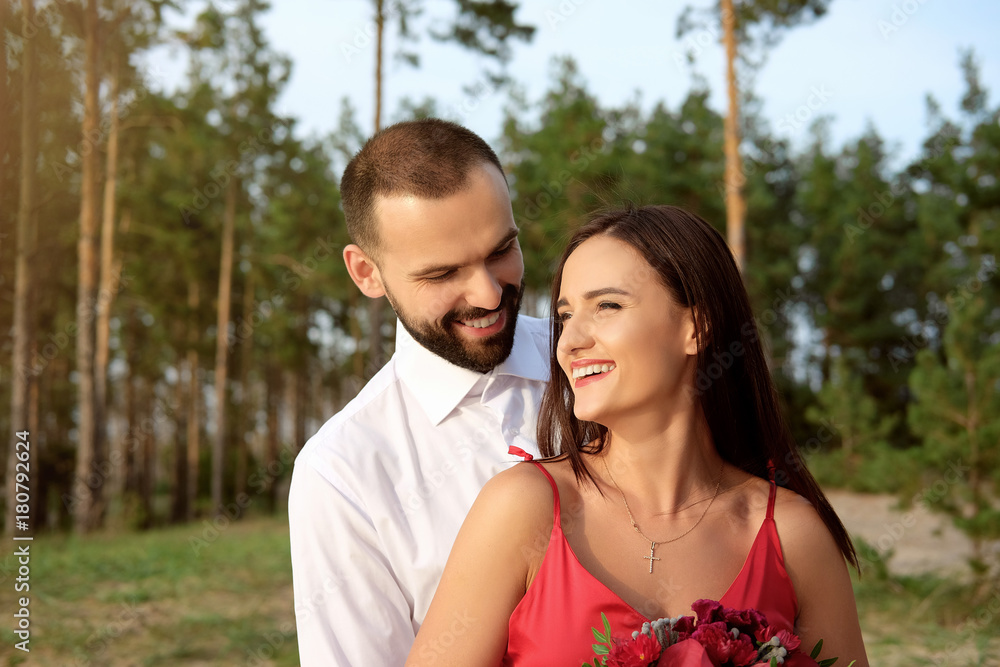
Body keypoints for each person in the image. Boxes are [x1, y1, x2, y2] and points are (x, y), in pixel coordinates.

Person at [407, 205, 870, 666]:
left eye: (607, 306)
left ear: (698, 325)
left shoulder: (793, 536)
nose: (568, 342)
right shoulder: (523, 508)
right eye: (565, 315)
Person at [288, 118, 549, 666]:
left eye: (501, 250)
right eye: (442, 274)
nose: (487, 293)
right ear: (367, 273)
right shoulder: (343, 474)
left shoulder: (608, 366)